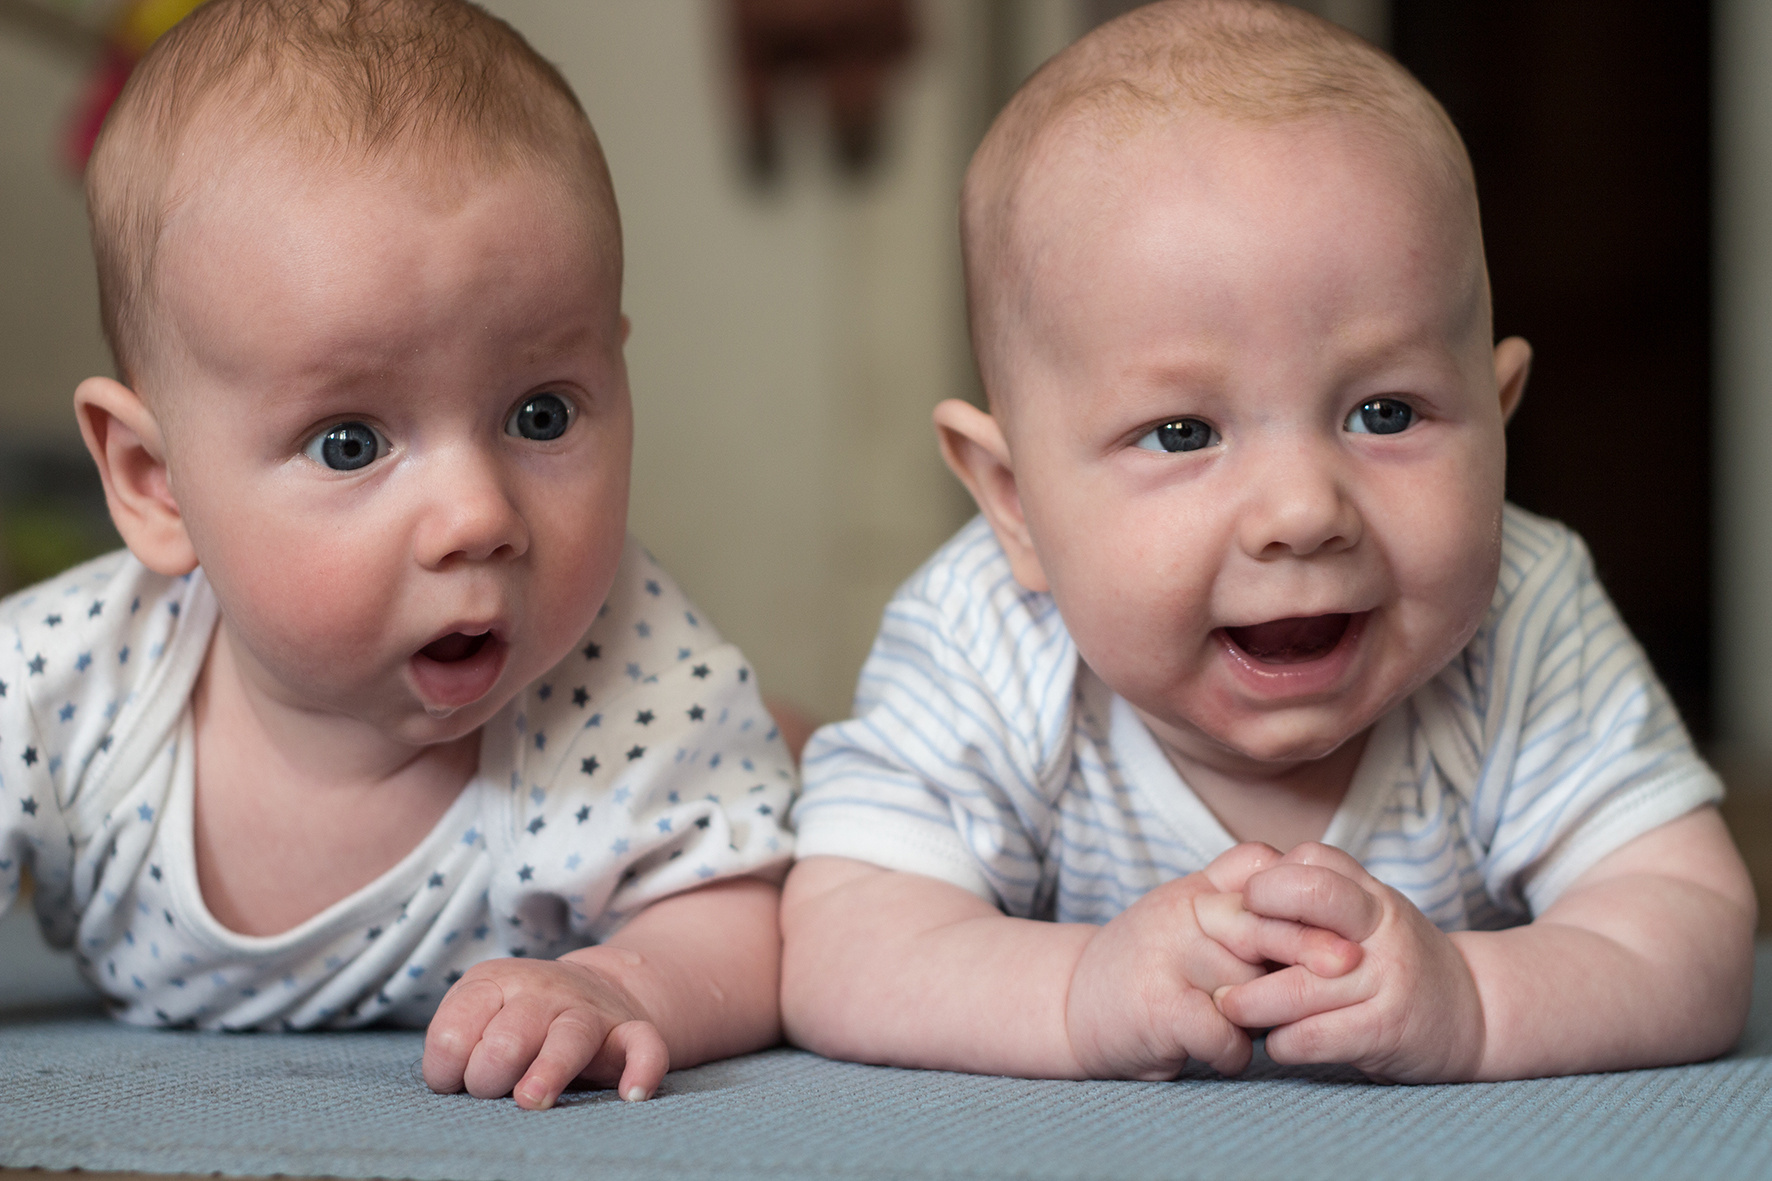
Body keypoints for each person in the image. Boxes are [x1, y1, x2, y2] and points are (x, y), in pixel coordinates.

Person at [782, 0, 1756, 1084]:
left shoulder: (1523, 618)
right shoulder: (983, 641)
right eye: (1182, 432)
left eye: (1384, 412)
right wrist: (1071, 992)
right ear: (1014, 502)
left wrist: (1478, 1000)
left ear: (1497, 419)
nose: (1301, 510)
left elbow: (1686, 918)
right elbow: (843, 937)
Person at [0, 0, 794, 1111]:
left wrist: (622, 982)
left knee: (802, 791)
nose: (477, 515)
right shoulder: (61, 685)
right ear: (154, 480)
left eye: (541, 413)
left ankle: (800, 736)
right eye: (350, 443)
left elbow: (743, 906)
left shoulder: (629, 677)